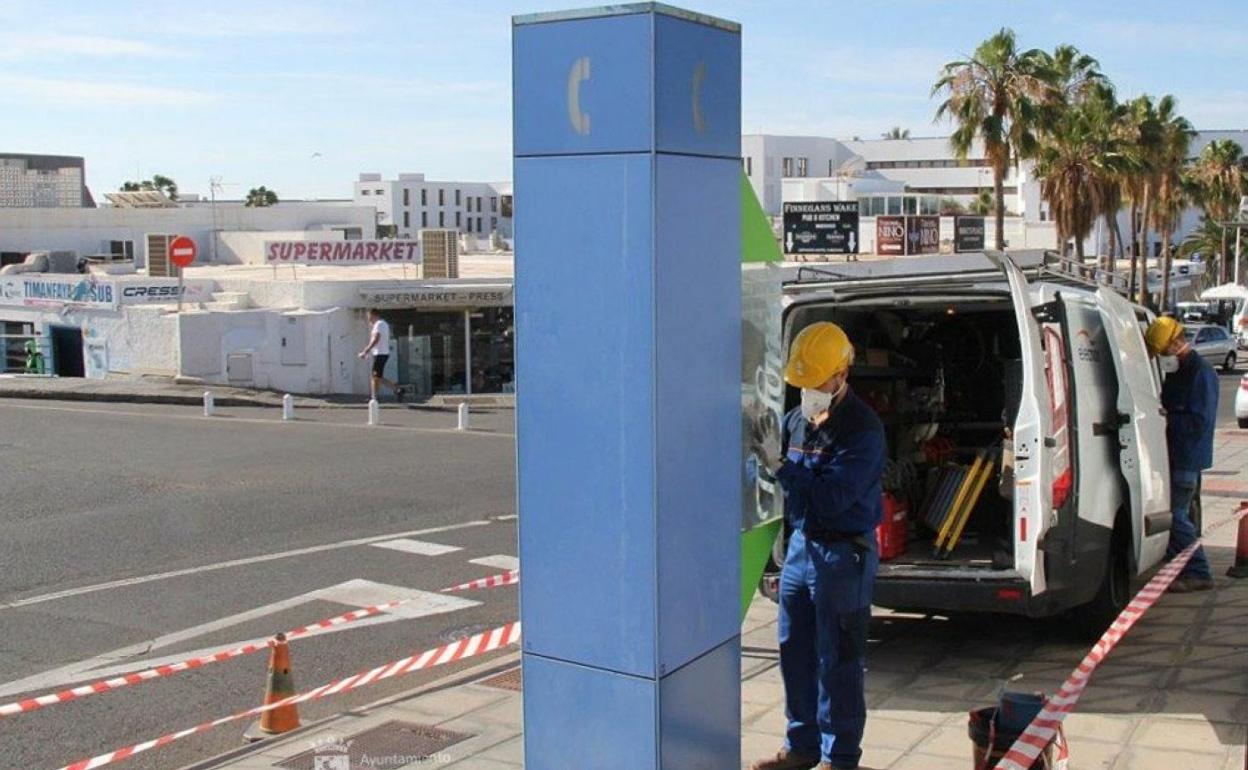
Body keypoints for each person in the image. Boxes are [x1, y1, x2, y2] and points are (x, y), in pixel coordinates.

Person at [751, 322, 886, 770]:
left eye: (817, 382)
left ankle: (839, 758)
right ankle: (802, 748)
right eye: (802, 383)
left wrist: (781, 468)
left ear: (842, 373)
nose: (809, 390)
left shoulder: (862, 430)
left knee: (839, 662)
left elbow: (830, 497)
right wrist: (767, 458)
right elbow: (787, 480)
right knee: (795, 653)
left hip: (842, 554)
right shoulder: (796, 421)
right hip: (801, 548)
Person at [1145, 316, 1217, 592]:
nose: (1164, 357)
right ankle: (1180, 567)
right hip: (1177, 455)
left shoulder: (1200, 372)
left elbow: (1199, 420)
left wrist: (1165, 418)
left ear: (1176, 342)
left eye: (1164, 351)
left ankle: (1198, 571)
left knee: (1177, 517)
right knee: (1179, 516)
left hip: (1186, 456)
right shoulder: (1183, 371)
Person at [358, 309, 406, 401]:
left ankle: (374, 397)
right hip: (381, 353)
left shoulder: (379, 324)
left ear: (374, 315)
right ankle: (398, 390)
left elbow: (376, 339)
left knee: (375, 377)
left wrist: (366, 351)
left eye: (369, 316)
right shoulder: (382, 324)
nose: (369, 319)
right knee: (377, 377)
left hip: (380, 353)